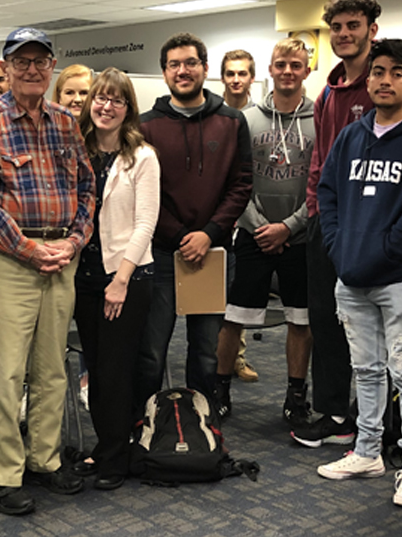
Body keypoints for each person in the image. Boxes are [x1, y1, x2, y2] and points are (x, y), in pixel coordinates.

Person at [0, 27, 95, 515]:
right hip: (10, 260)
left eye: (41, 61)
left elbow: (87, 188)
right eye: (22, 62)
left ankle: (45, 458)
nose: (32, 70)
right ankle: (2, 472)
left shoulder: (65, 121)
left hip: (62, 256)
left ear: (52, 66)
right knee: (6, 372)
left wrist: (74, 241)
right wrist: (30, 250)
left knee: (52, 368)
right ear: (7, 67)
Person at [299, 0, 402, 449]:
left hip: (387, 242)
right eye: (336, 27)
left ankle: (385, 427)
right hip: (334, 230)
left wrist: (391, 242)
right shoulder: (329, 91)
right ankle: (336, 414)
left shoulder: (397, 93)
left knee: (393, 349)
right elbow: (322, 165)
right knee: (328, 324)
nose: (344, 34)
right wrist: (322, 222)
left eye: (353, 26)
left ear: (372, 30)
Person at [316, 38, 402, 507]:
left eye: (396, 72)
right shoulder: (353, 134)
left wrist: (387, 249)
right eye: (378, 72)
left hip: (401, 277)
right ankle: (366, 451)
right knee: (365, 370)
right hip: (351, 275)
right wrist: (338, 245)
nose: (385, 80)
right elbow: (328, 192)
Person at [135, 33, 253, 415]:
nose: (182, 71)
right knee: (152, 350)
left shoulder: (231, 122)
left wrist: (209, 234)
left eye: (190, 63)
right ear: (164, 72)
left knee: (205, 351)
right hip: (161, 255)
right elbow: (144, 192)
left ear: (204, 68)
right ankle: (147, 421)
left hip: (213, 254)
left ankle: (200, 421)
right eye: (174, 65)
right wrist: (183, 236)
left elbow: (241, 184)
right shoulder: (145, 126)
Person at [215, 39, 316, 429]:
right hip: (253, 236)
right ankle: (221, 389)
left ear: (306, 70)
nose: (288, 71)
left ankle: (295, 397)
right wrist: (260, 227)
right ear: (270, 71)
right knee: (234, 317)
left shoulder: (318, 118)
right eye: (281, 64)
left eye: (295, 65)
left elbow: (321, 182)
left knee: (300, 320)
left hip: (300, 237)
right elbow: (236, 181)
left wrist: (289, 227)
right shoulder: (246, 120)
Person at [73, 69, 159, 490]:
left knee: (115, 369)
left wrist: (120, 279)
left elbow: (145, 225)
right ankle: (106, 446)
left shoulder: (142, 156)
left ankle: (115, 457)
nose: (106, 107)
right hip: (84, 276)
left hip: (127, 276)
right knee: (95, 368)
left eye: (116, 100)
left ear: (129, 109)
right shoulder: (80, 150)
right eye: (100, 99)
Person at [220, 48, 259, 383]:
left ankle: (238, 359)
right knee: (214, 299)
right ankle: (215, 361)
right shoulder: (213, 114)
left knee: (237, 298)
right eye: (230, 74)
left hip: (248, 220)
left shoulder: (258, 117)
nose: (236, 80)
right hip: (216, 219)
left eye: (242, 73)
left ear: (251, 78)